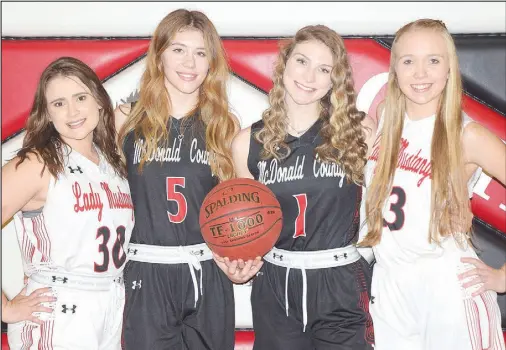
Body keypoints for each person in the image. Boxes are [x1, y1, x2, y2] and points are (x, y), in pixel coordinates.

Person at [225, 25, 377, 350]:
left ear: (335, 80)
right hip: (276, 284)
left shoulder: (358, 131)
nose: (309, 77)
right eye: (302, 62)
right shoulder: (247, 144)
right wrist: (240, 265)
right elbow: (246, 229)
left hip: (339, 281)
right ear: (284, 65)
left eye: (324, 69)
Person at [360, 19, 506, 350]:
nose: (420, 73)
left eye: (433, 61)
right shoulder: (383, 118)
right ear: (394, 69)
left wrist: (502, 278)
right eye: (408, 61)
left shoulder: (468, 135)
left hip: (447, 286)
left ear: (449, 70)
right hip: (389, 284)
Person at [115, 9, 252, 350]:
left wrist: (244, 260)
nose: (190, 63)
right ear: (159, 55)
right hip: (147, 270)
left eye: (201, 52)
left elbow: (242, 209)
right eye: (178, 49)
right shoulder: (125, 121)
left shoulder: (225, 126)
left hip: (207, 270)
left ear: (211, 63)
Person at [2, 57, 134, 349]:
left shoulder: (112, 163)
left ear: (99, 101)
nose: (72, 111)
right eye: (59, 103)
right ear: (47, 113)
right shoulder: (37, 163)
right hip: (58, 308)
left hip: (110, 302)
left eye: (80, 97)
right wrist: (5, 308)